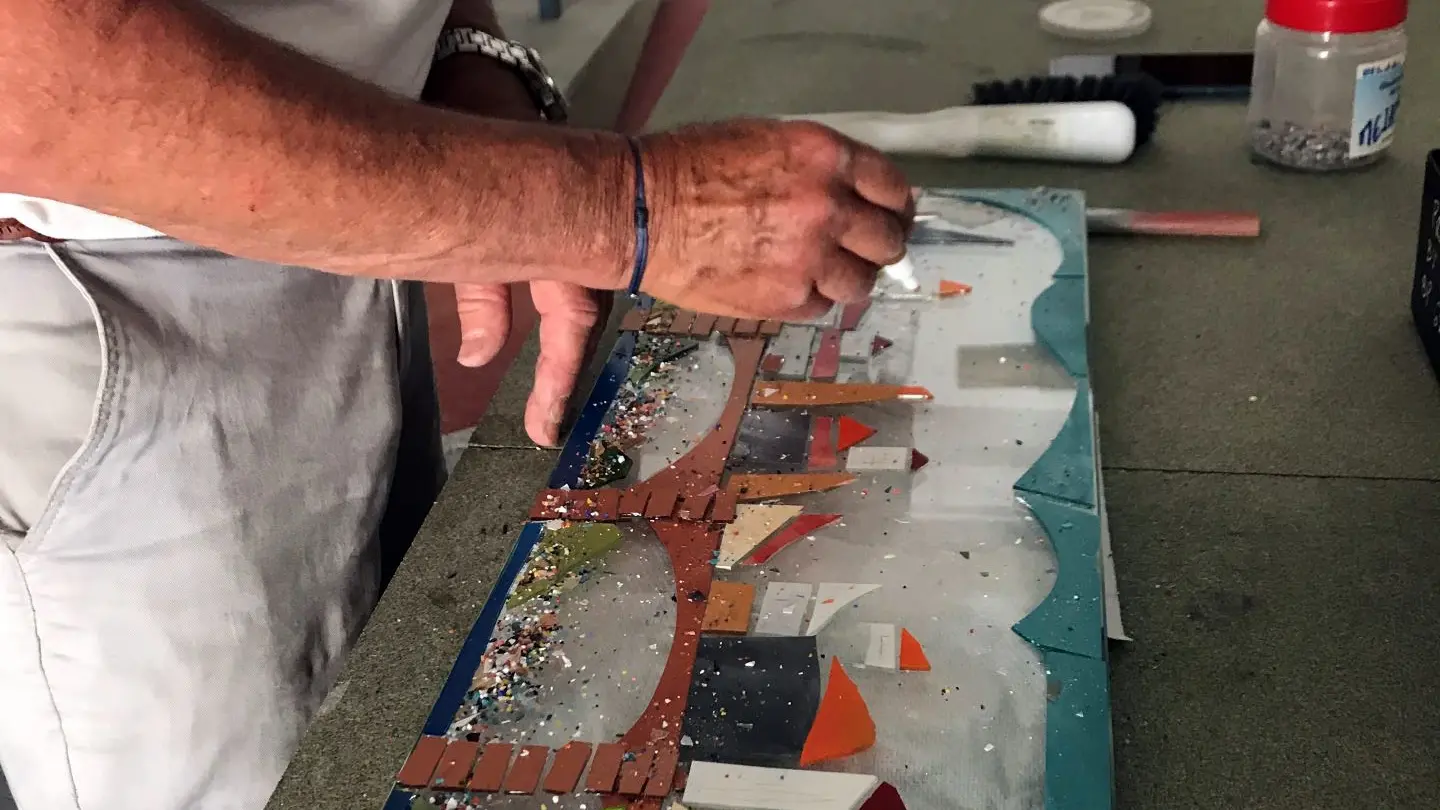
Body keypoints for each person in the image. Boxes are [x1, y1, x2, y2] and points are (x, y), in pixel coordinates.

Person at [0, 1, 913, 808]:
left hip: (354, 204)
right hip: (110, 285)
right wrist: (620, 204)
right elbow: (25, 69)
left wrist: (473, 75)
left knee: (409, 705)